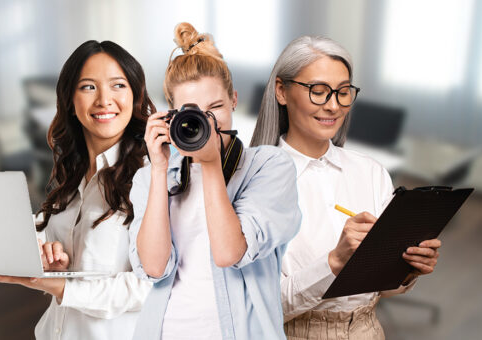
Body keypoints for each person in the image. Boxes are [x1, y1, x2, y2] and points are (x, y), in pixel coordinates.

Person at [250, 36, 442, 340]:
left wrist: (407, 269)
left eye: (342, 92)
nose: (333, 106)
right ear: (281, 91)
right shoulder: (254, 183)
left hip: (367, 330)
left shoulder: (371, 173)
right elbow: (256, 307)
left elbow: (379, 290)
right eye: (318, 91)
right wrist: (334, 263)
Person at [128, 23, 301, 340]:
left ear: (234, 100)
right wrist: (157, 169)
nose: (206, 121)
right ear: (173, 115)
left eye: (216, 108)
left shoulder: (268, 167)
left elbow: (229, 253)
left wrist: (209, 164)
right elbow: (154, 267)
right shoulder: (150, 178)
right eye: (193, 112)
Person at [0, 40, 154, 340]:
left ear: (135, 95)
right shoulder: (71, 172)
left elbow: (150, 286)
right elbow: (44, 228)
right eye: (88, 87)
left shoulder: (153, 175)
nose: (104, 100)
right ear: (70, 100)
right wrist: (42, 253)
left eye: (118, 85)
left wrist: (62, 287)